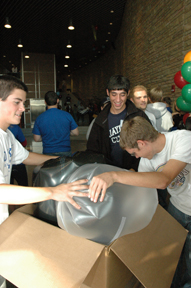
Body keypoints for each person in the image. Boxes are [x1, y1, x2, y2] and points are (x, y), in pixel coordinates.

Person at [88, 116, 191, 288]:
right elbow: (141, 194)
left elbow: (163, 180)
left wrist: (114, 176)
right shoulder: (146, 161)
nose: (136, 157)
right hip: (178, 207)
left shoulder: (184, 139)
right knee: (172, 257)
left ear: (142, 143)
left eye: (134, 153)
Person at [0, 75, 89, 223]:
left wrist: (63, 160)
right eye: (17, 102)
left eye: (23, 103)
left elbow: (26, 157)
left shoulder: (7, 135)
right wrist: (52, 192)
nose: (23, 108)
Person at [87, 75, 150, 170]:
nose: (118, 99)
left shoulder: (139, 116)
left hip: (134, 173)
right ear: (107, 92)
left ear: (128, 93)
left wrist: (135, 167)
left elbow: (150, 143)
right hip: (108, 173)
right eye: (114, 94)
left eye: (122, 94)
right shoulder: (100, 120)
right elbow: (92, 151)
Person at [33, 91, 79, 157]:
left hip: (48, 152)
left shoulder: (39, 118)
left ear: (45, 102)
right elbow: (76, 133)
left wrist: (47, 137)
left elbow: (36, 139)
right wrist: (64, 133)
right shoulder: (67, 115)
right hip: (65, 151)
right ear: (57, 101)